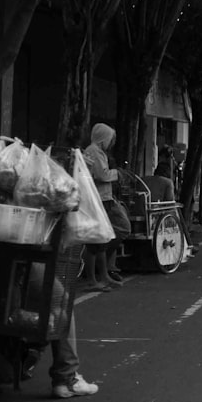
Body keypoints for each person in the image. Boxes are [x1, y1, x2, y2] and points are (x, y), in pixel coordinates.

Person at [82, 123, 131, 292]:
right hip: (98, 200)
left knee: (102, 238)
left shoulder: (97, 151)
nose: (112, 142)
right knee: (96, 240)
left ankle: (103, 276)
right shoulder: (94, 151)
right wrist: (117, 174)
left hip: (103, 198)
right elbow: (102, 175)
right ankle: (93, 279)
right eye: (110, 138)